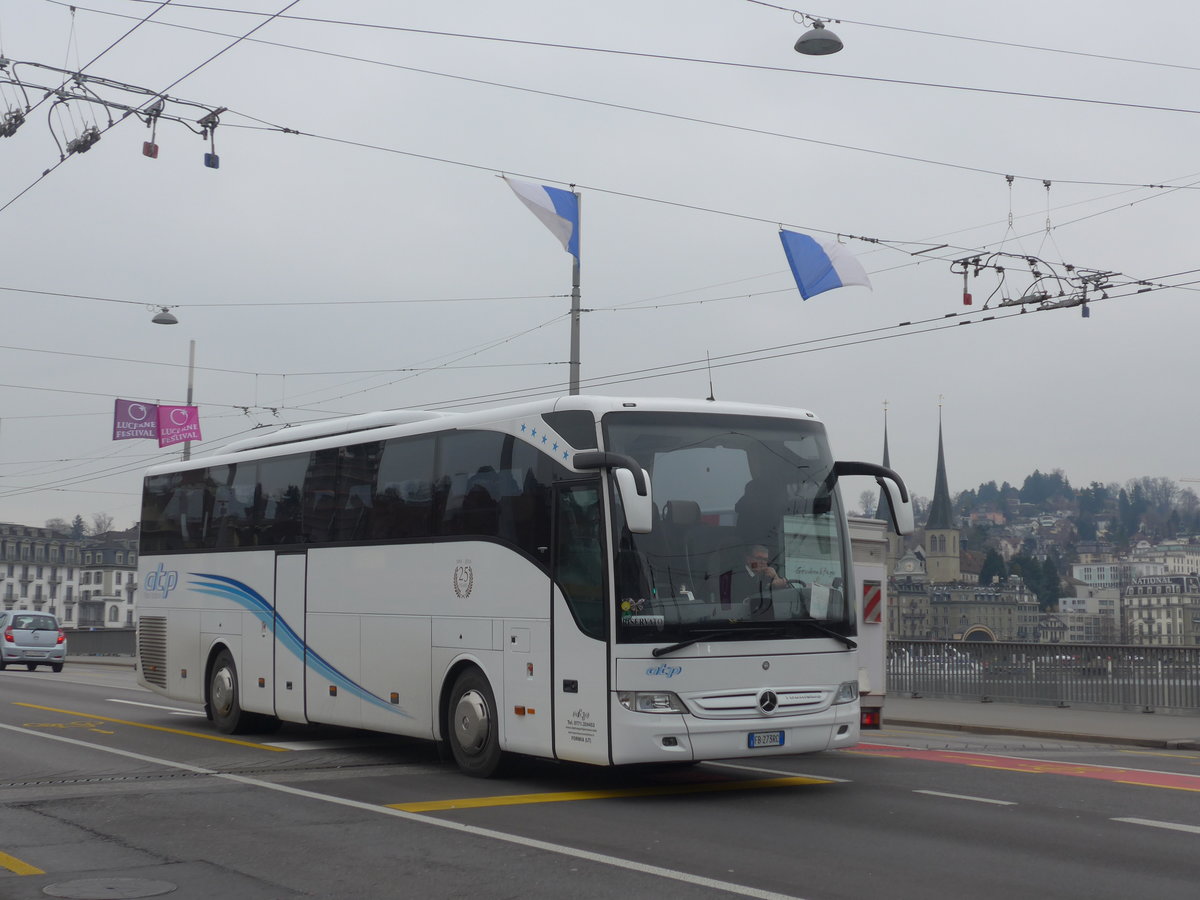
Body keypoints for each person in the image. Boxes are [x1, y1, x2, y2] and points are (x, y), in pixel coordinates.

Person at [723, 544, 788, 619]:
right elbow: (751, 593)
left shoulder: (767, 575)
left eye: (765, 559)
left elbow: (785, 592)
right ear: (748, 559)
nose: (762, 562)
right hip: (737, 619)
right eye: (759, 558)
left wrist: (775, 577)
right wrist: (771, 585)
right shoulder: (737, 576)